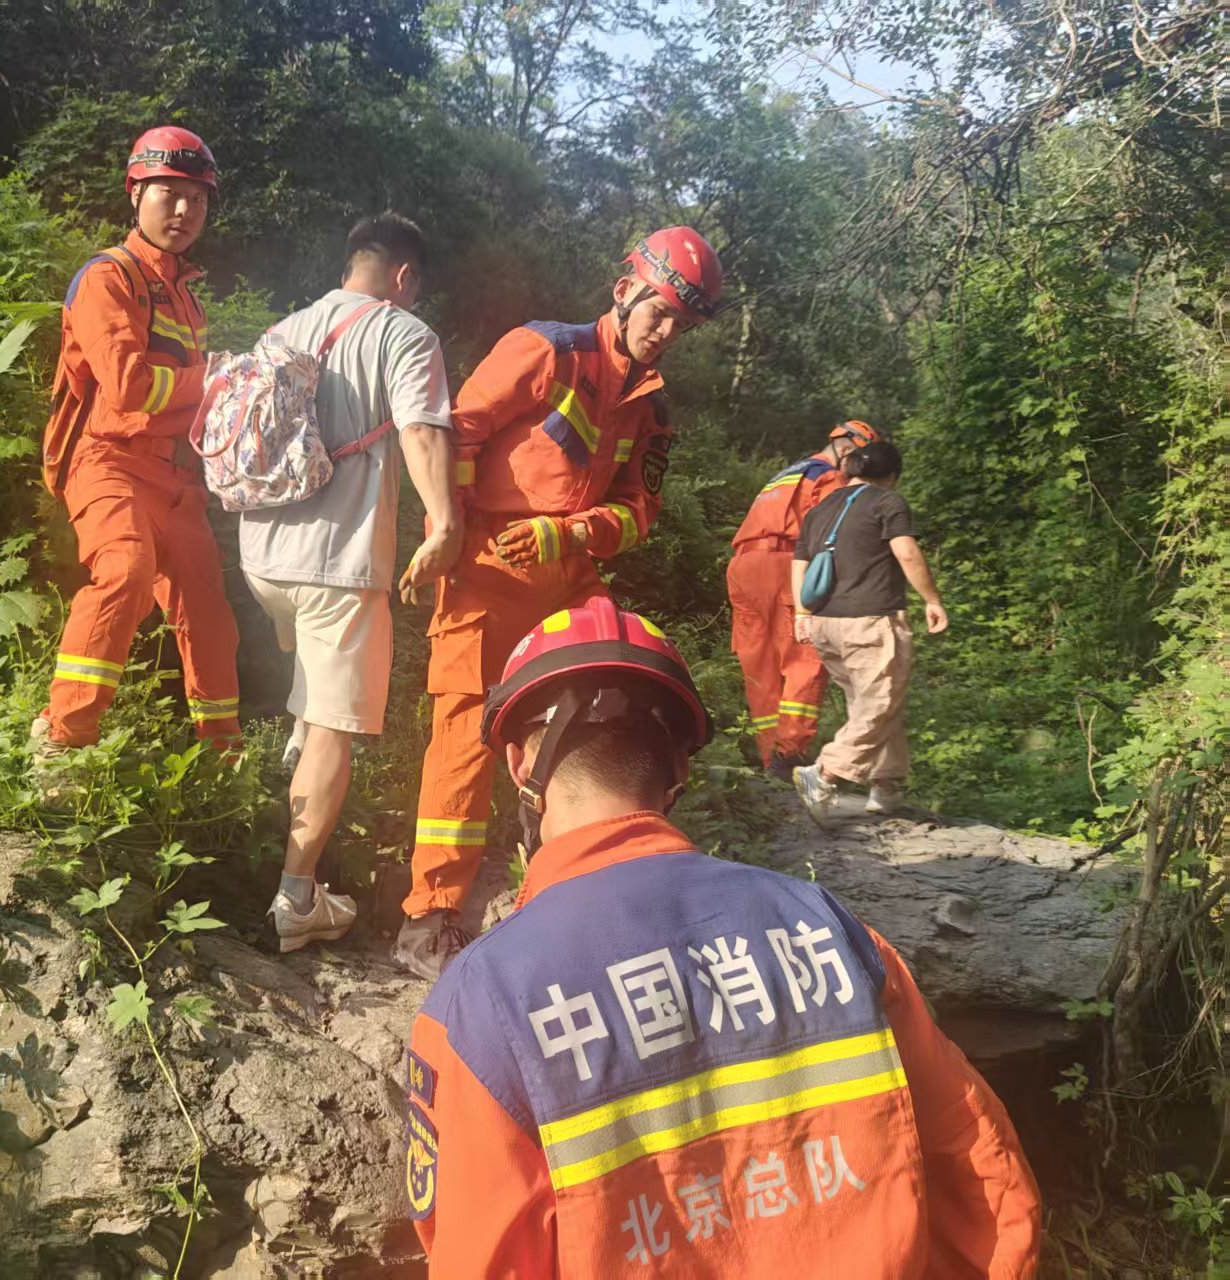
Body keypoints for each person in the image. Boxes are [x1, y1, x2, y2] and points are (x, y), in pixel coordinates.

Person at [404, 597, 1041, 1278]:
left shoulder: (478, 1007)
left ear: (519, 764)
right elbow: (987, 1180)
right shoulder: (826, 928)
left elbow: (482, 1258)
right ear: (678, 769)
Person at [396, 226, 723, 979]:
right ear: (625, 292)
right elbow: (456, 435)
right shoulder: (546, 350)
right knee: (463, 733)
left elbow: (638, 513)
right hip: (484, 567)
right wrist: (455, 530)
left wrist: (568, 533)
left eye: (682, 323)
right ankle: (430, 914)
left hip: (567, 574)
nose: (666, 332)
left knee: (604, 712)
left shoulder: (654, 409)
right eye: (660, 312)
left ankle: (564, 881)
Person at [240, 213, 460, 953]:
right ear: (404, 277)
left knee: (310, 700)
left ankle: (268, 801)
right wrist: (443, 523)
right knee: (334, 722)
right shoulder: (404, 333)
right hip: (337, 562)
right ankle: (296, 896)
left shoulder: (283, 331)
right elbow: (422, 430)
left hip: (262, 554)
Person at [31, 126, 242, 759]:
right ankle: (63, 740)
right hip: (109, 463)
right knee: (124, 571)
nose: (183, 211)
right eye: (169, 195)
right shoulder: (106, 277)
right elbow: (127, 387)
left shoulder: (186, 297)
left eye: (197, 199)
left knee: (209, 613)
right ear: (135, 194)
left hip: (178, 479)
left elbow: (189, 399)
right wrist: (214, 378)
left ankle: (222, 753)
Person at [791, 440, 947, 822]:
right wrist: (932, 599)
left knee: (870, 703)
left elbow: (799, 563)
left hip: (826, 622)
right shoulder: (887, 501)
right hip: (871, 620)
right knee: (879, 702)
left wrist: (800, 612)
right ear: (891, 475)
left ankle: (885, 785)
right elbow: (906, 551)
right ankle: (825, 774)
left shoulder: (821, 507)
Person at [728, 421, 884, 779]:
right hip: (786, 565)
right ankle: (790, 753)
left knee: (760, 667)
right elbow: (833, 533)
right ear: (847, 451)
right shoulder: (830, 479)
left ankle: (771, 760)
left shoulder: (787, 474)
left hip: (743, 566)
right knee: (805, 659)